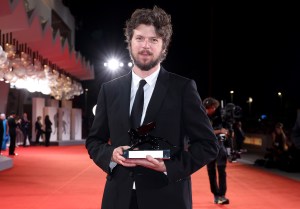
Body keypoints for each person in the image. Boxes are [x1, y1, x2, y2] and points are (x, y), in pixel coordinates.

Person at [86, 6, 219, 209]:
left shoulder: (183, 88)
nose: (145, 45)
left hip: (167, 197)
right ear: (129, 42)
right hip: (118, 199)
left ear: (164, 46)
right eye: (139, 38)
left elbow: (208, 145)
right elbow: (95, 141)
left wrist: (170, 167)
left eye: (154, 39)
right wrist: (110, 155)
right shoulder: (109, 90)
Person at [203, 97, 230, 204]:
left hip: (219, 146)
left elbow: (226, 130)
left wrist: (226, 131)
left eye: (215, 107)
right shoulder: (201, 117)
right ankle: (216, 195)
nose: (214, 109)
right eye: (212, 107)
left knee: (221, 170)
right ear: (207, 108)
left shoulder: (219, 117)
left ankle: (222, 195)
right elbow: (205, 133)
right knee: (211, 171)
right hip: (208, 147)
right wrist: (219, 131)